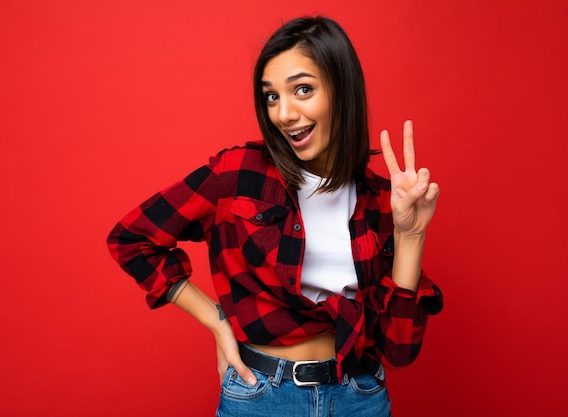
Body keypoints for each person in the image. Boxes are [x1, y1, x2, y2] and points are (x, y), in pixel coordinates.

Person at [107, 15, 443, 417]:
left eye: (303, 89)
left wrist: (411, 235)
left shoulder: (381, 201)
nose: (283, 113)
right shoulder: (239, 173)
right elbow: (131, 238)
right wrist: (218, 322)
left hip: (360, 397)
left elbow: (399, 350)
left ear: (342, 91)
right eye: (271, 97)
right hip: (263, 396)